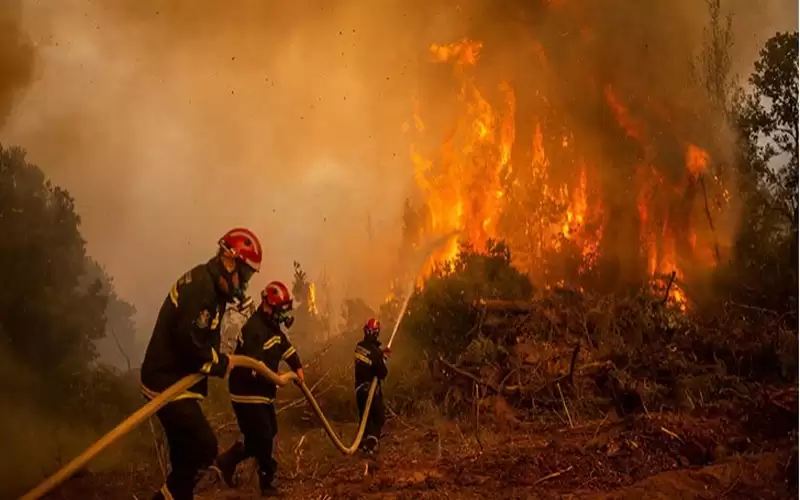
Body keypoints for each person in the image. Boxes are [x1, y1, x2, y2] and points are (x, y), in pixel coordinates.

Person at [140, 228, 263, 500]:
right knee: (203, 447)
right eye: (243, 277)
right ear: (229, 261)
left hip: (172, 377)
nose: (242, 287)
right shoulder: (202, 290)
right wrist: (219, 363)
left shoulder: (210, 286)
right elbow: (190, 346)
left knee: (185, 458)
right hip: (166, 381)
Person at [216, 280, 305, 497]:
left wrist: (298, 369)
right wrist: (277, 378)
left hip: (262, 393)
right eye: (282, 311)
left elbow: (287, 349)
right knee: (264, 436)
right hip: (246, 392)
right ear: (269, 307)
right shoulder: (254, 328)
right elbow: (256, 367)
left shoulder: (273, 328)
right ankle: (267, 483)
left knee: (265, 434)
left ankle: (227, 461)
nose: (285, 316)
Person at [354, 317, 390, 455]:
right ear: (376, 333)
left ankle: (362, 445)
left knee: (365, 419)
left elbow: (370, 357)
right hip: (370, 391)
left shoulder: (359, 346)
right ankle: (370, 445)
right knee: (379, 417)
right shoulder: (375, 353)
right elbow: (382, 373)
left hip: (359, 390)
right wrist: (383, 359)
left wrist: (381, 355)